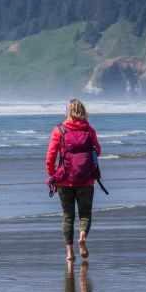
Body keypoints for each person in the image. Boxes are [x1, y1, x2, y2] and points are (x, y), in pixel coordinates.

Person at [45, 99, 102, 262]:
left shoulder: (59, 130)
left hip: (64, 180)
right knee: (85, 214)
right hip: (86, 180)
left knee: (68, 216)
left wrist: (52, 176)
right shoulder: (89, 130)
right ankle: (82, 236)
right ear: (83, 111)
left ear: (68, 112)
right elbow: (98, 150)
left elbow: (50, 157)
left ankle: (69, 253)